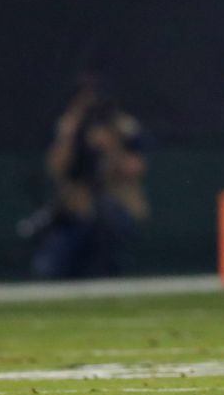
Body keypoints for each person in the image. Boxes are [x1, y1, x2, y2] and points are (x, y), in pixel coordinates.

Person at [24, 76, 149, 279]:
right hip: (75, 210)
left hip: (115, 204)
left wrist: (111, 146)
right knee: (49, 267)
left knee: (110, 228)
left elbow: (135, 168)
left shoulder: (123, 127)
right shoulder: (68, 128)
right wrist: (69, 135)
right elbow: (55, 169)